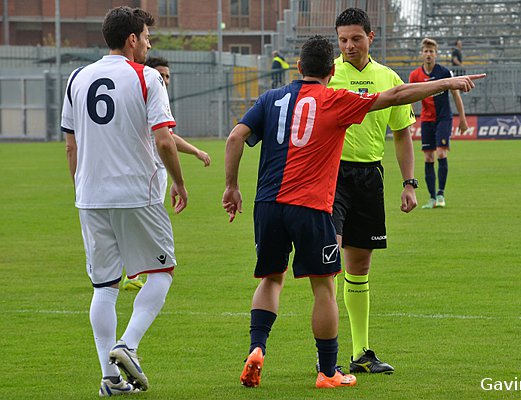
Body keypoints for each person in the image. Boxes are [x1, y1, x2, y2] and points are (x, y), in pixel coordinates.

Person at [222, 35, 483, 389]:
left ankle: (256, 349)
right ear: (332, 71)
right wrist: (448, 83)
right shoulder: (335, 100)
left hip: (267, 205)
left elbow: (235, 138)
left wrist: (232, 186)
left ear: (298, 68)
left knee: (271, 279)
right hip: (311, 206)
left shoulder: (270, 98)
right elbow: (395, 96)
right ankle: (328, 372)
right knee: (324, 287)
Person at [62, 6, 187, 396]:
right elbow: (164, 140)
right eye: (147, 37)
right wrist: (180, 183)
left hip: (91, 196)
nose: (149, 44)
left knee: (105, 286)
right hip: (138, 192)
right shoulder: (146, 76)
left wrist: (83, 188)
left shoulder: (77, 78)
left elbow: (71, 145)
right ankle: (127, 345)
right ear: (132, 39)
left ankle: (110, 379)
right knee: (161, 274)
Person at [327, 7, 415, 375]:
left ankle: (361, 352)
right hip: (331, 176)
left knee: (359, 266)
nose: (348, 46)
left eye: (355, 39)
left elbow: (402, 133)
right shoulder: (328, 74)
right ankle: (325, 356)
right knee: (327, 261)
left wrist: (409, 183)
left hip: (369, 178)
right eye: (343, 39)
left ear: (371, 37)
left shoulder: (387, 77)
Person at [121, 56, 211, 291]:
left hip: (151, 170)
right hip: (151, 170)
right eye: (161, 75)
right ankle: (137, 274)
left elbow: (168, 137)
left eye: (168, 76)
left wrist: (194, 151)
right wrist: (193, 155)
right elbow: (166, 140)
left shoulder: (151, 94)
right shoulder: (149, 91)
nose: (165, 80)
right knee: (145, 225)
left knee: (135, 223)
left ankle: (132, 273)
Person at [409, 38, 468, 209]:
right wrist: (408, 119)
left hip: (443, 118)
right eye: (426, 51)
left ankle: (441, 194)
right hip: (426, 120)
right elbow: (410, 98)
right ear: (422, 54)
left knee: (441, 154)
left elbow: (456, 96)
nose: (428, 54)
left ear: (436, 54)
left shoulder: (444, 72)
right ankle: (432, 197)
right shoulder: (415, 75)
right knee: (428, 157)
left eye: (431, 51)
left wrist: (462, 119)